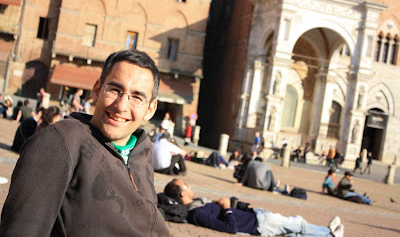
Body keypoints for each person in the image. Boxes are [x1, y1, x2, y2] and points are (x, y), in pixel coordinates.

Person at [0, 50, 170, 236]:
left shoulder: (143, 149)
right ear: (97, 90)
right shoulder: (59, 141)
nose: (121, 106)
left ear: (150, 109)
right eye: (114, 90)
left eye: (137, 97)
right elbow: (22, 229)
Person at [164, 179, 344, 237]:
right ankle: (329, 233)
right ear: (182, 195)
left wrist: (221, 205)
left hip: (256, 217)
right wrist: (226, 208)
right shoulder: (197, 212)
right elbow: (231, 229)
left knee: (294, 234)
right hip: (257, 223)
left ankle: (328, 235)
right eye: (186, 186)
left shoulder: (199, 206)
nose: (190, 186)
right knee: (298, 223)